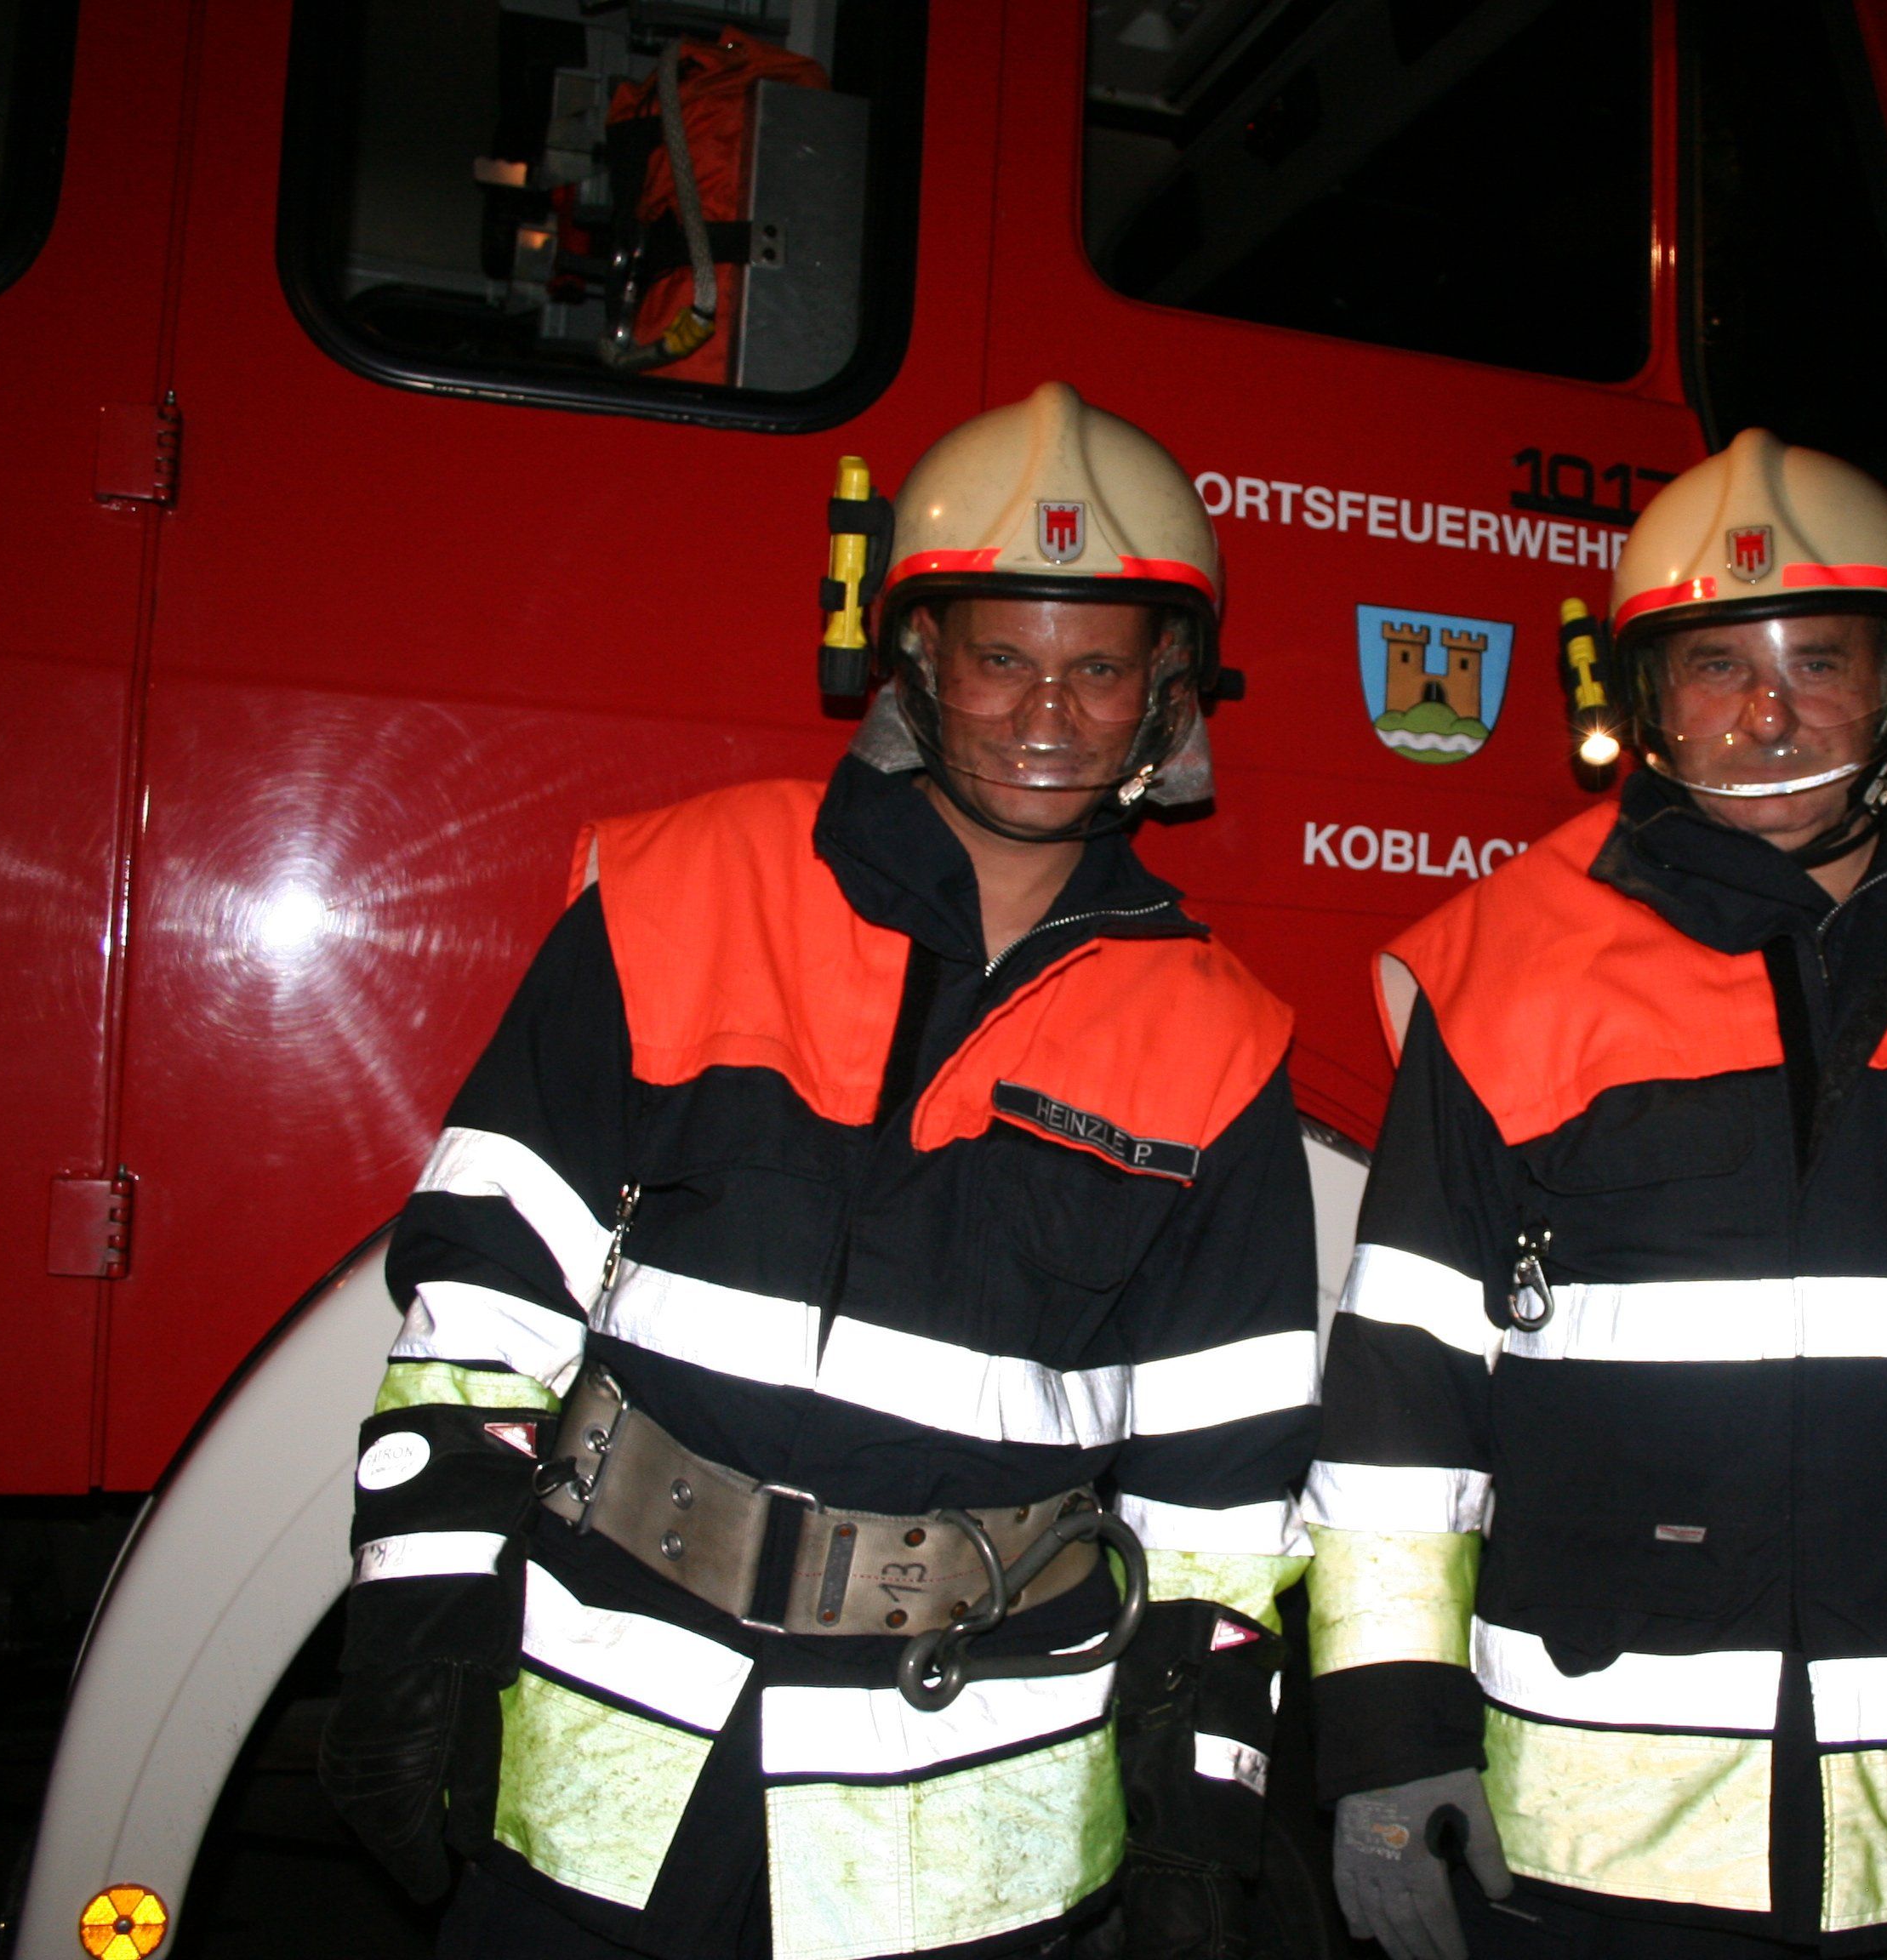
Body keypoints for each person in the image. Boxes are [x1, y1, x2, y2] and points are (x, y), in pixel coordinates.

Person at [316, 385, 1319, 1960]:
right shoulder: (687, 887)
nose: (1046, 712)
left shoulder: (1220, 1038)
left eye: (1099, 667)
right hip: (610, 1736)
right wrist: (419, 1620)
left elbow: (1225, 1482)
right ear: (918, 659)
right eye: (1001, 656)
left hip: (967, 1814)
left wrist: (1200, 1788)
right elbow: (485, 1293)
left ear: (1167, 698)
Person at [1304, 432, 1887, 1960]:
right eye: (1716, 667)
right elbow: (1401, 1401)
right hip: (1598, 1843)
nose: (1767, 715)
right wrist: (1384, 1731)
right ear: (1648, 697)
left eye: (1818, 661)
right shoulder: (1505, 961)